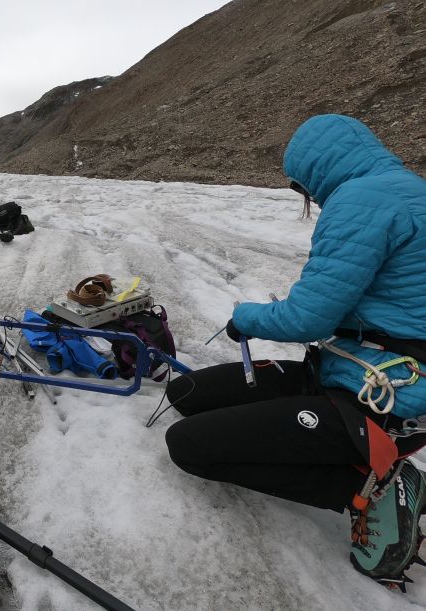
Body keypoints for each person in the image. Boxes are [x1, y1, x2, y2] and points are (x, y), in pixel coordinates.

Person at [164, 114, 426, 590]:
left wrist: (246, 317)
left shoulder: (360, 201)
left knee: (188, 445)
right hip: (354, 369)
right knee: (189, 392)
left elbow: (308, 319)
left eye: (300, 185)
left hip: (382, 400)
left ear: (314, 170)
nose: (306, 195)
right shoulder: (406, 188)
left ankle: (367, 487)